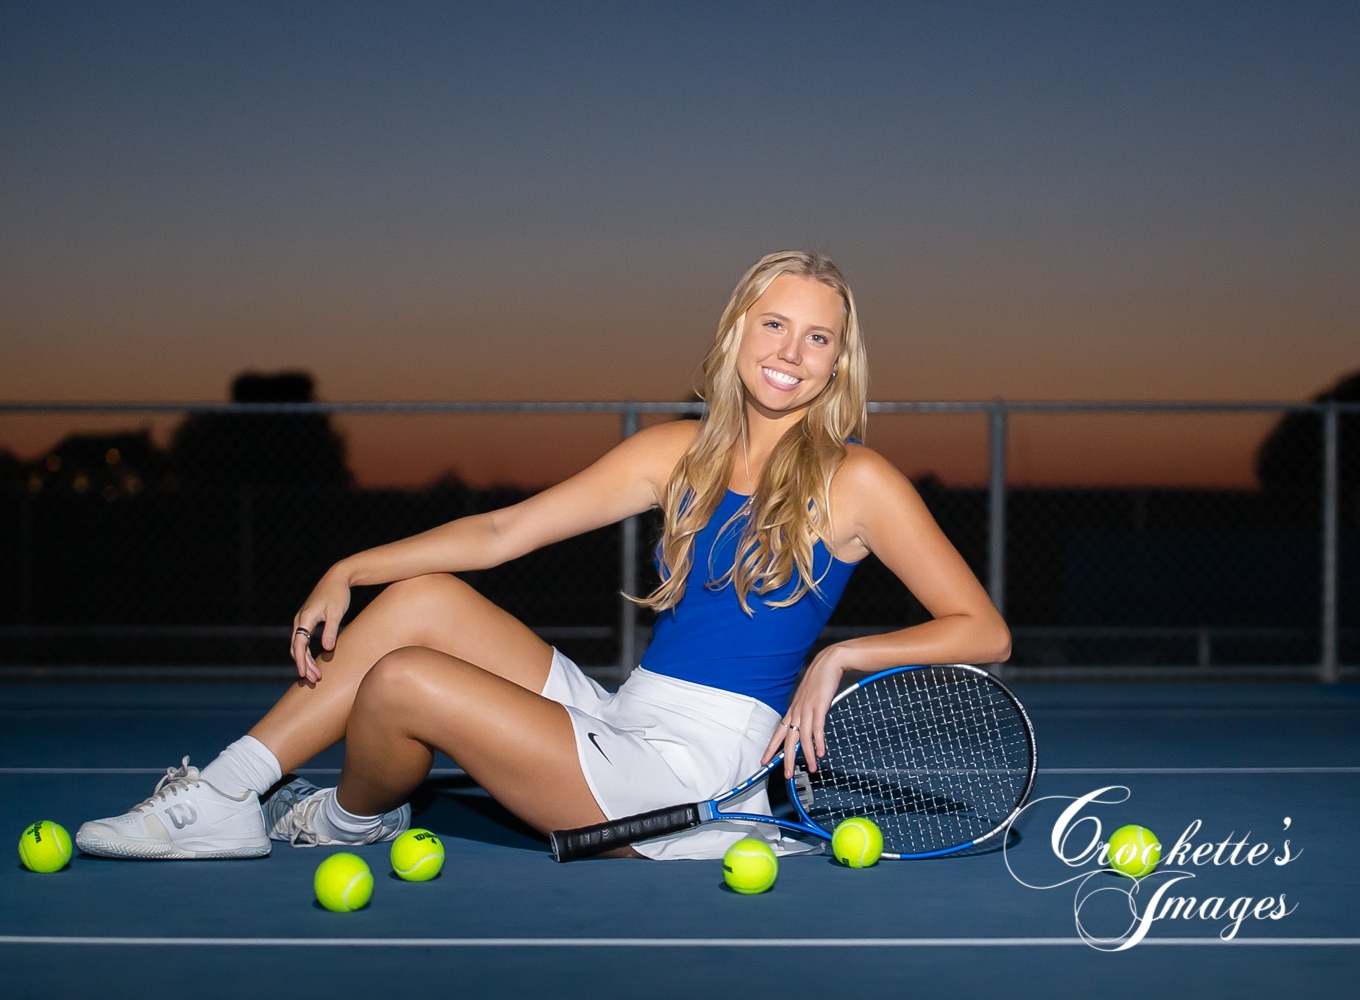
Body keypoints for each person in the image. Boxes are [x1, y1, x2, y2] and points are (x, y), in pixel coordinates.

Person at [75, 250, 1011, 862]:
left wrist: (843, 655)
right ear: (737, 332)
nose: (791, 352)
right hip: (624, 716)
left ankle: (351, 817)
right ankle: (227, 795)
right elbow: (500, 534)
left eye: (818, 338)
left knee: (403, 682)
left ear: (838, 363)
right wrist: (350, 568)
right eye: (775, 324)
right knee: (421, 599)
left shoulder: (858, 479)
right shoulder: (674, 453)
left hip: (694, 770)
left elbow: (984, 630)